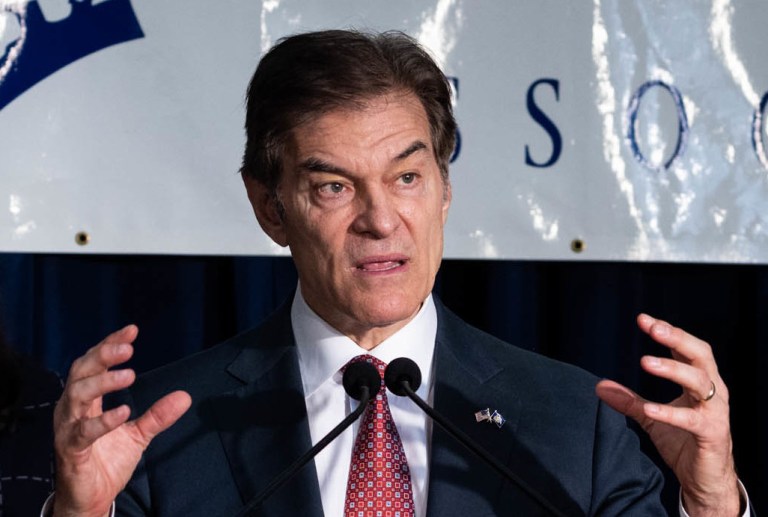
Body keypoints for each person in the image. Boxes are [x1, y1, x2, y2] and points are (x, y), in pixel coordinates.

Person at [48, 30, 749, 516]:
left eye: (407, 176)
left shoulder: (575, 425)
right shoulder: (161, 432)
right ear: (269, 206)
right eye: (334, 187)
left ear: (444, 189)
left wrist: (712, 504)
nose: (381, 219)